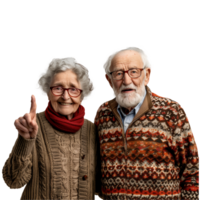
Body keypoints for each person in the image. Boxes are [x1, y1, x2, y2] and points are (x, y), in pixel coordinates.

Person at [93, 45, 200, 199]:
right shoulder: (101, 113)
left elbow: (193, 170)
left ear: (148, 75)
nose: (126, 80)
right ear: (108, 81)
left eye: (134, 71)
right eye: (118, 74)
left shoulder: (173, 111)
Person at [0, 56, 99, 200]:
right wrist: (25, 141)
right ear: (47, 91)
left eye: (73, 89)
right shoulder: (34, 125)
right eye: (58, 88)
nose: (66, 96)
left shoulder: (91, 128)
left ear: (82, 94)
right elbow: (12, 181)